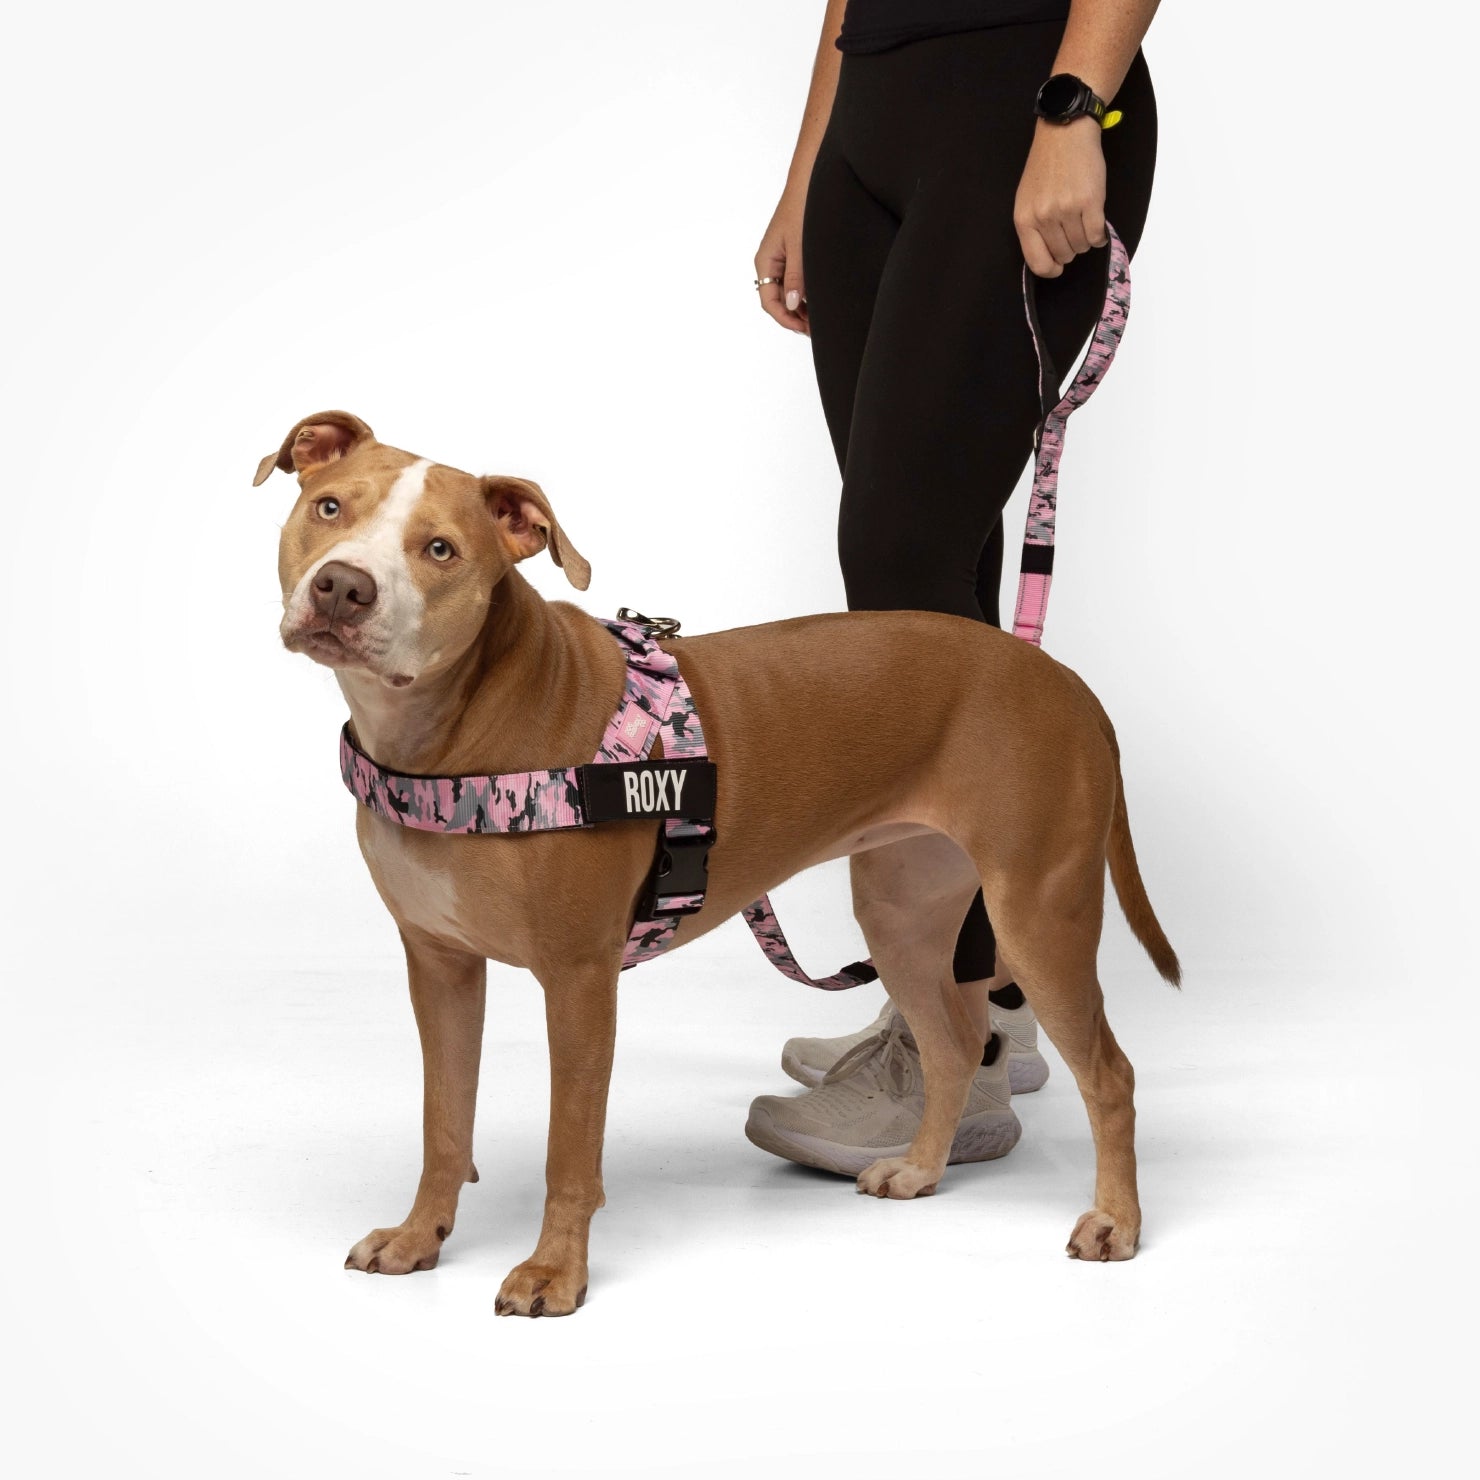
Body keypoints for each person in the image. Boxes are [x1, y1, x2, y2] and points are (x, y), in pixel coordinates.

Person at [744, 0, 1160, 1173]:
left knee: (900, 562)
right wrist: (810, 168)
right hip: (873, 117)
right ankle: (989, 995)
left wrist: (1073, 106)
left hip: (1021, 94)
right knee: (924, 575)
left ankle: (951, 1057)